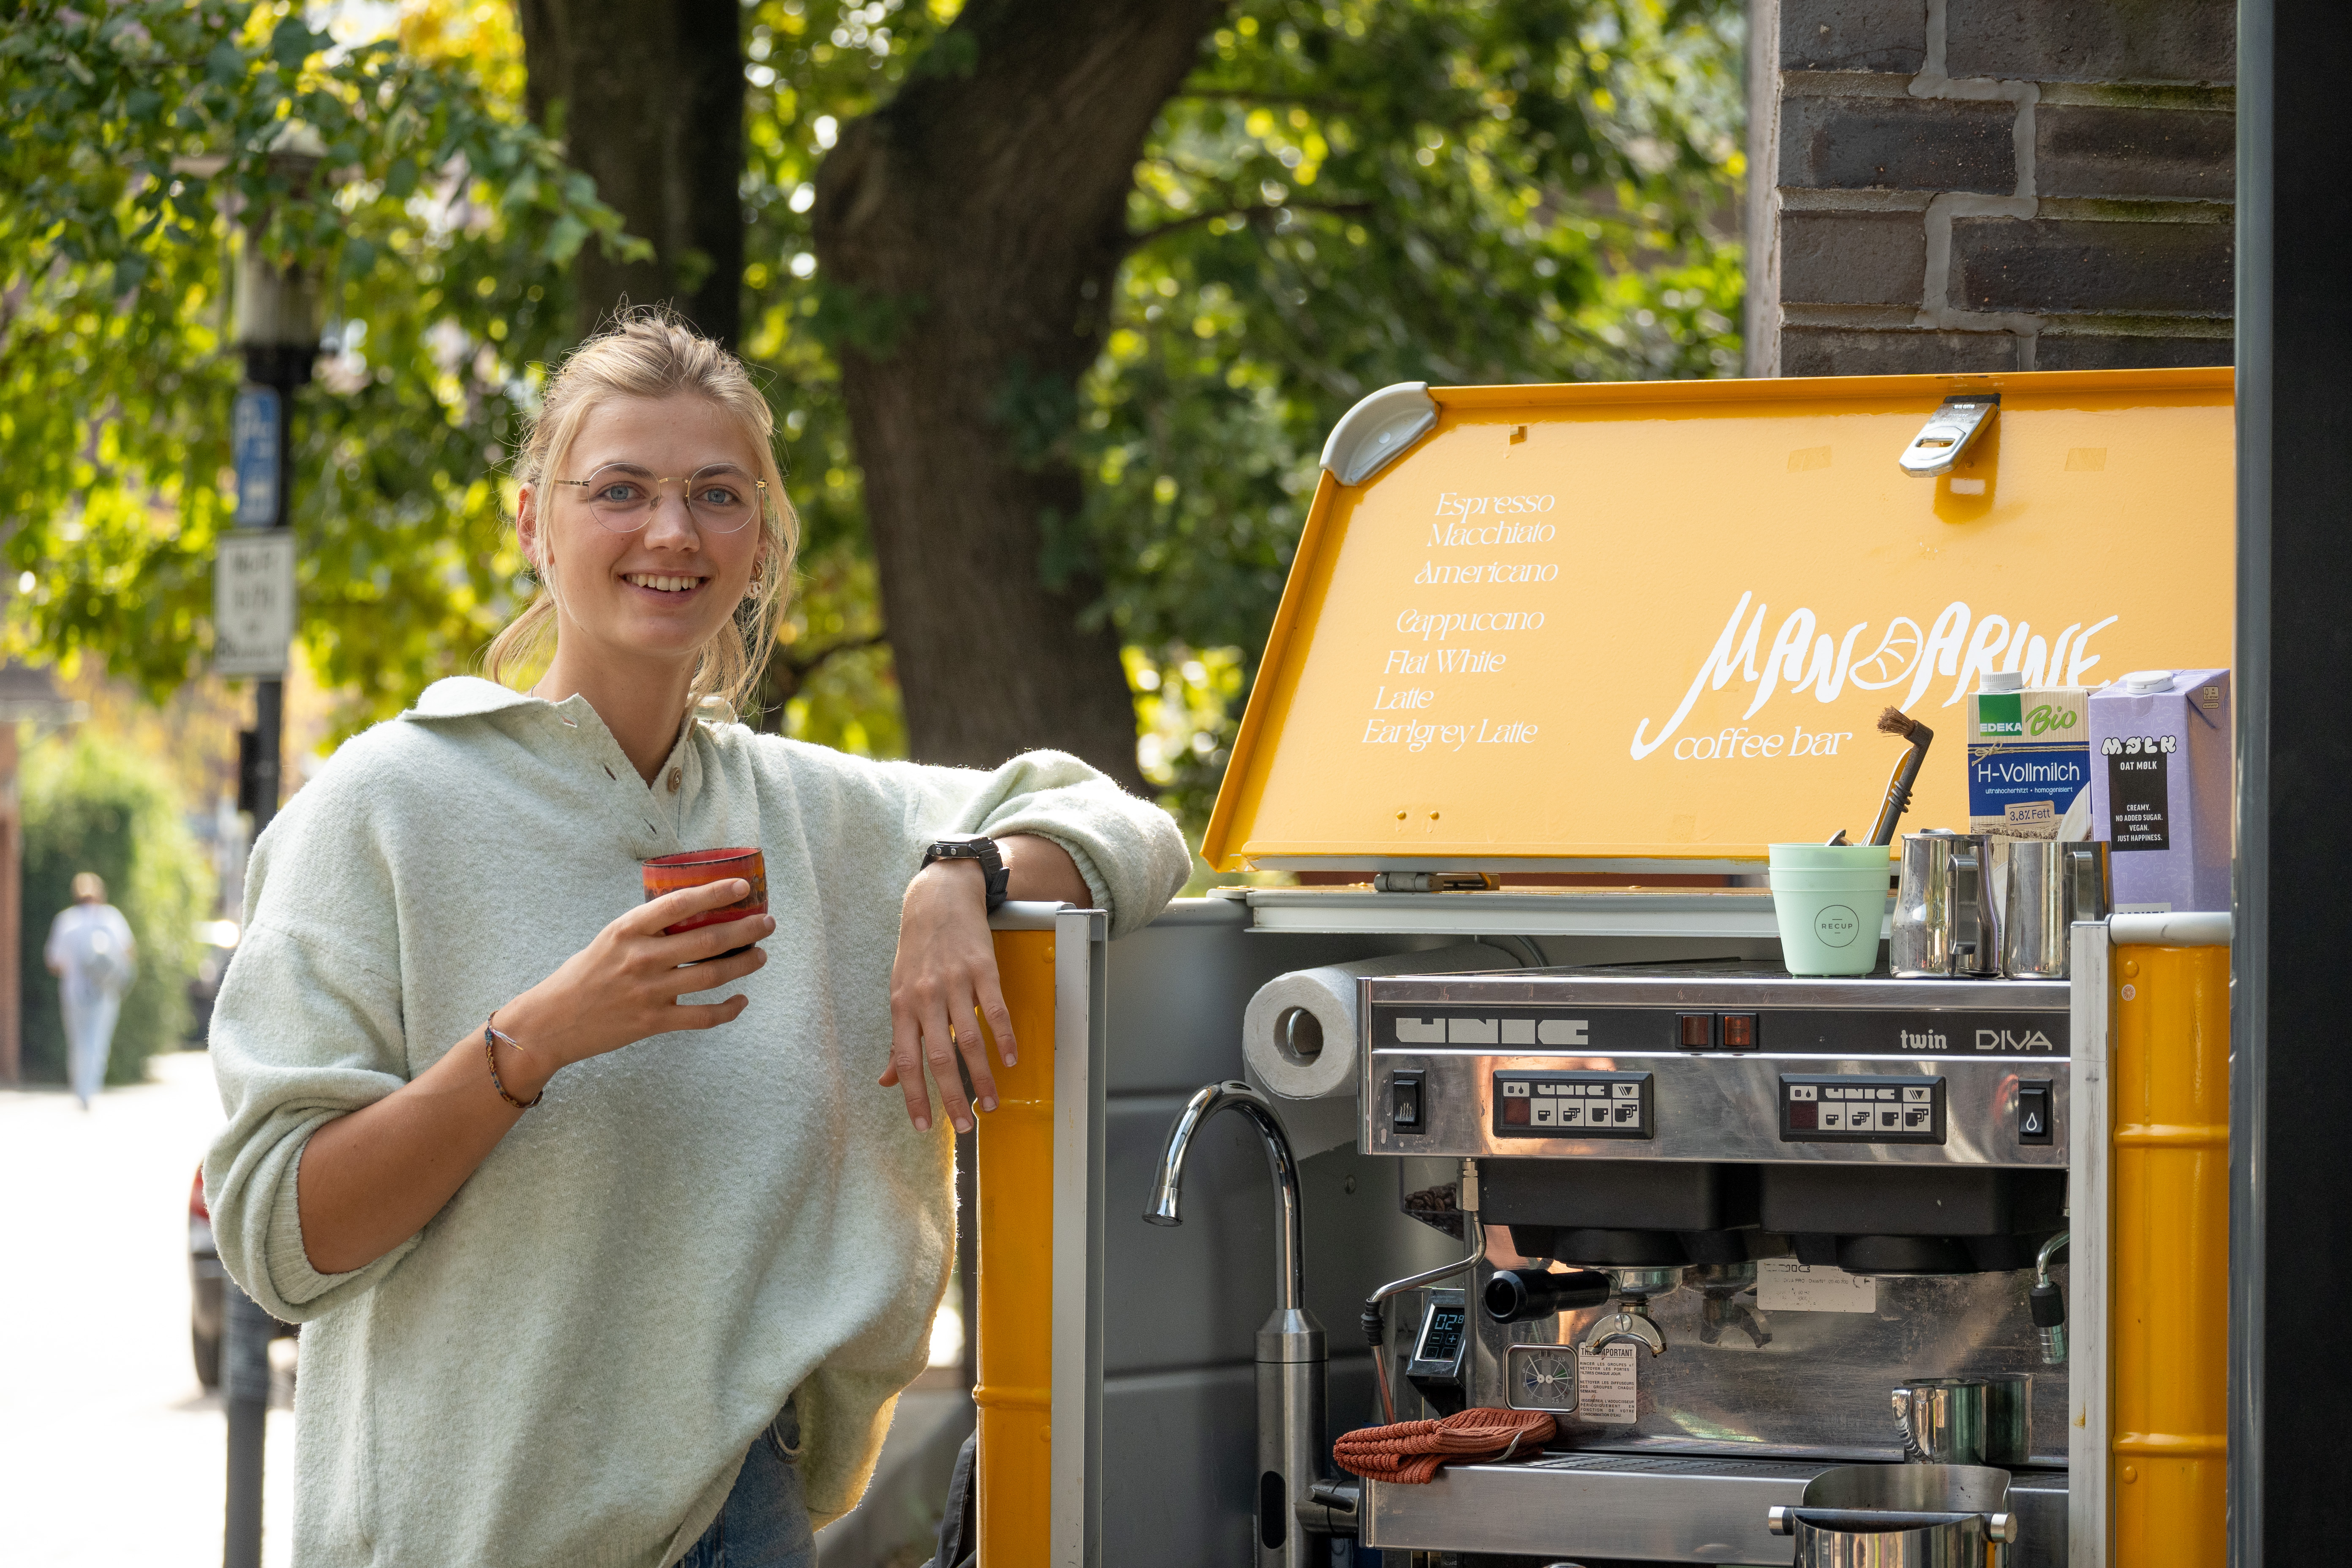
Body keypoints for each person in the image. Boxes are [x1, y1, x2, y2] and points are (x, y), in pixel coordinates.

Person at [203, 311, 1190, 1568]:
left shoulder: (819, 816)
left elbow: (1127, 826)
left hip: (743, 1517)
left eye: (715, 496)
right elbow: (285, 1236)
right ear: (530, 524)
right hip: (464, 1533)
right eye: (620, 489)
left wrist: (961, 874)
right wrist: (541, 1035)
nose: (671, 532)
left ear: (760, 543)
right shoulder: (381, 804)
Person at [46, 871, 136, 1108]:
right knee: (98, 1040)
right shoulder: (111, 918)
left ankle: (80, 1090)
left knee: (77, 1041)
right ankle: (89, 1091)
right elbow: (129, 951)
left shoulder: (66, 921)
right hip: (105, 992)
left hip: (73, 992)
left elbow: (54, 962)